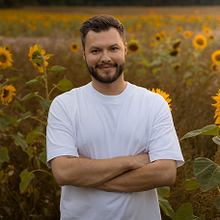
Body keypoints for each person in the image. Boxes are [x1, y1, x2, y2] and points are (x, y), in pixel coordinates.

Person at [46, 14, 184, 220]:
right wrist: (132, 161)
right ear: (83, 54)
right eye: (95, 51)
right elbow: (64, 173)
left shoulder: (154, 104)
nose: (105, 58)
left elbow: (165, 173)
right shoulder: (65, 105)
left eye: (113, 48)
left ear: (125, 49)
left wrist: (85, 173)